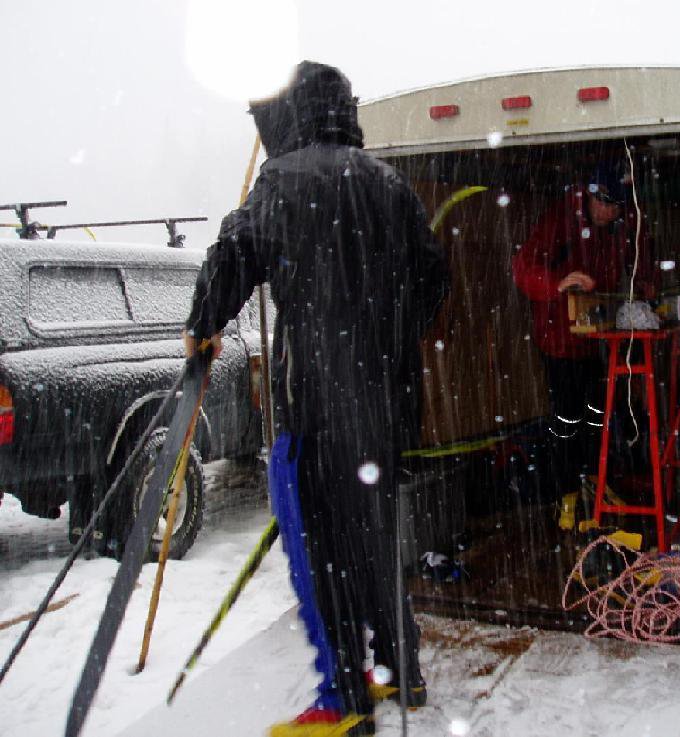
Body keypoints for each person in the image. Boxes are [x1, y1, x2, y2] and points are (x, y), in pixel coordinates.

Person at [183, 61, 449, 737]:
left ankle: (344, 701)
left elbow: (234, 254)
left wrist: (202, 326)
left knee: (323, 552)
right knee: (377, 537)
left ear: (293, 112)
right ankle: (402, 669)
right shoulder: (388, 182)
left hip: (318, 409)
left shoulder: (283, 177)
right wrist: (386, 340)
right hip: (386, 405)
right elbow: (432, 279)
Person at [511, 163, 654, 494]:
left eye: (616, 206)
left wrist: (645, 280)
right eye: (605, 203)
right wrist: (557, 283)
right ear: (590, 196)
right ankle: (568, 488)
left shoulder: (617, 226)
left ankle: (593, 480)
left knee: (597, 414)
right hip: (558, 341)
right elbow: (522, 268)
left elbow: (637, 253)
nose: (610, 212)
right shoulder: (559, 221)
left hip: (594, 340)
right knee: (567, 418)